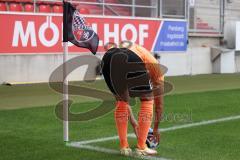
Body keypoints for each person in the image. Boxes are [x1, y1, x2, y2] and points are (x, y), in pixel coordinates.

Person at [101, 43, 164, 156]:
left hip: (107, 58)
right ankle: (141, 147)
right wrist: (155, 129)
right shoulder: (158, 74)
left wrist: (135, 124)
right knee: (148, 99)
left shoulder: (138, 51)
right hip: (130, 58)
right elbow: (159, 107)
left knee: (121, 100)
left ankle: (124, 147)